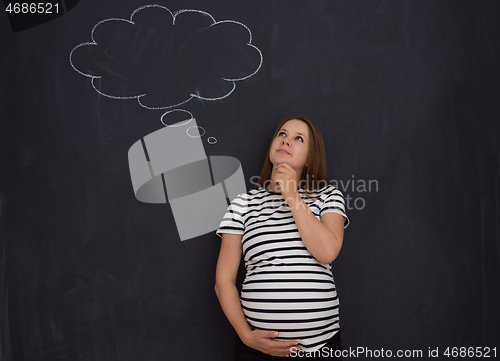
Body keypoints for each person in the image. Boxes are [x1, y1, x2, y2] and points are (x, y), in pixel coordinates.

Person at [215, 116, 349, 360]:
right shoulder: (242, 204)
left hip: (321, 347)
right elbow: (223, 281)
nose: (286, 141)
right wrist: (246, 335)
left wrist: (291, 194)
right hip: (256, 349)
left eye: (298, 138)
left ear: (310, 158)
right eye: (282, 134)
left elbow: (327, 251)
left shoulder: (328, 196)